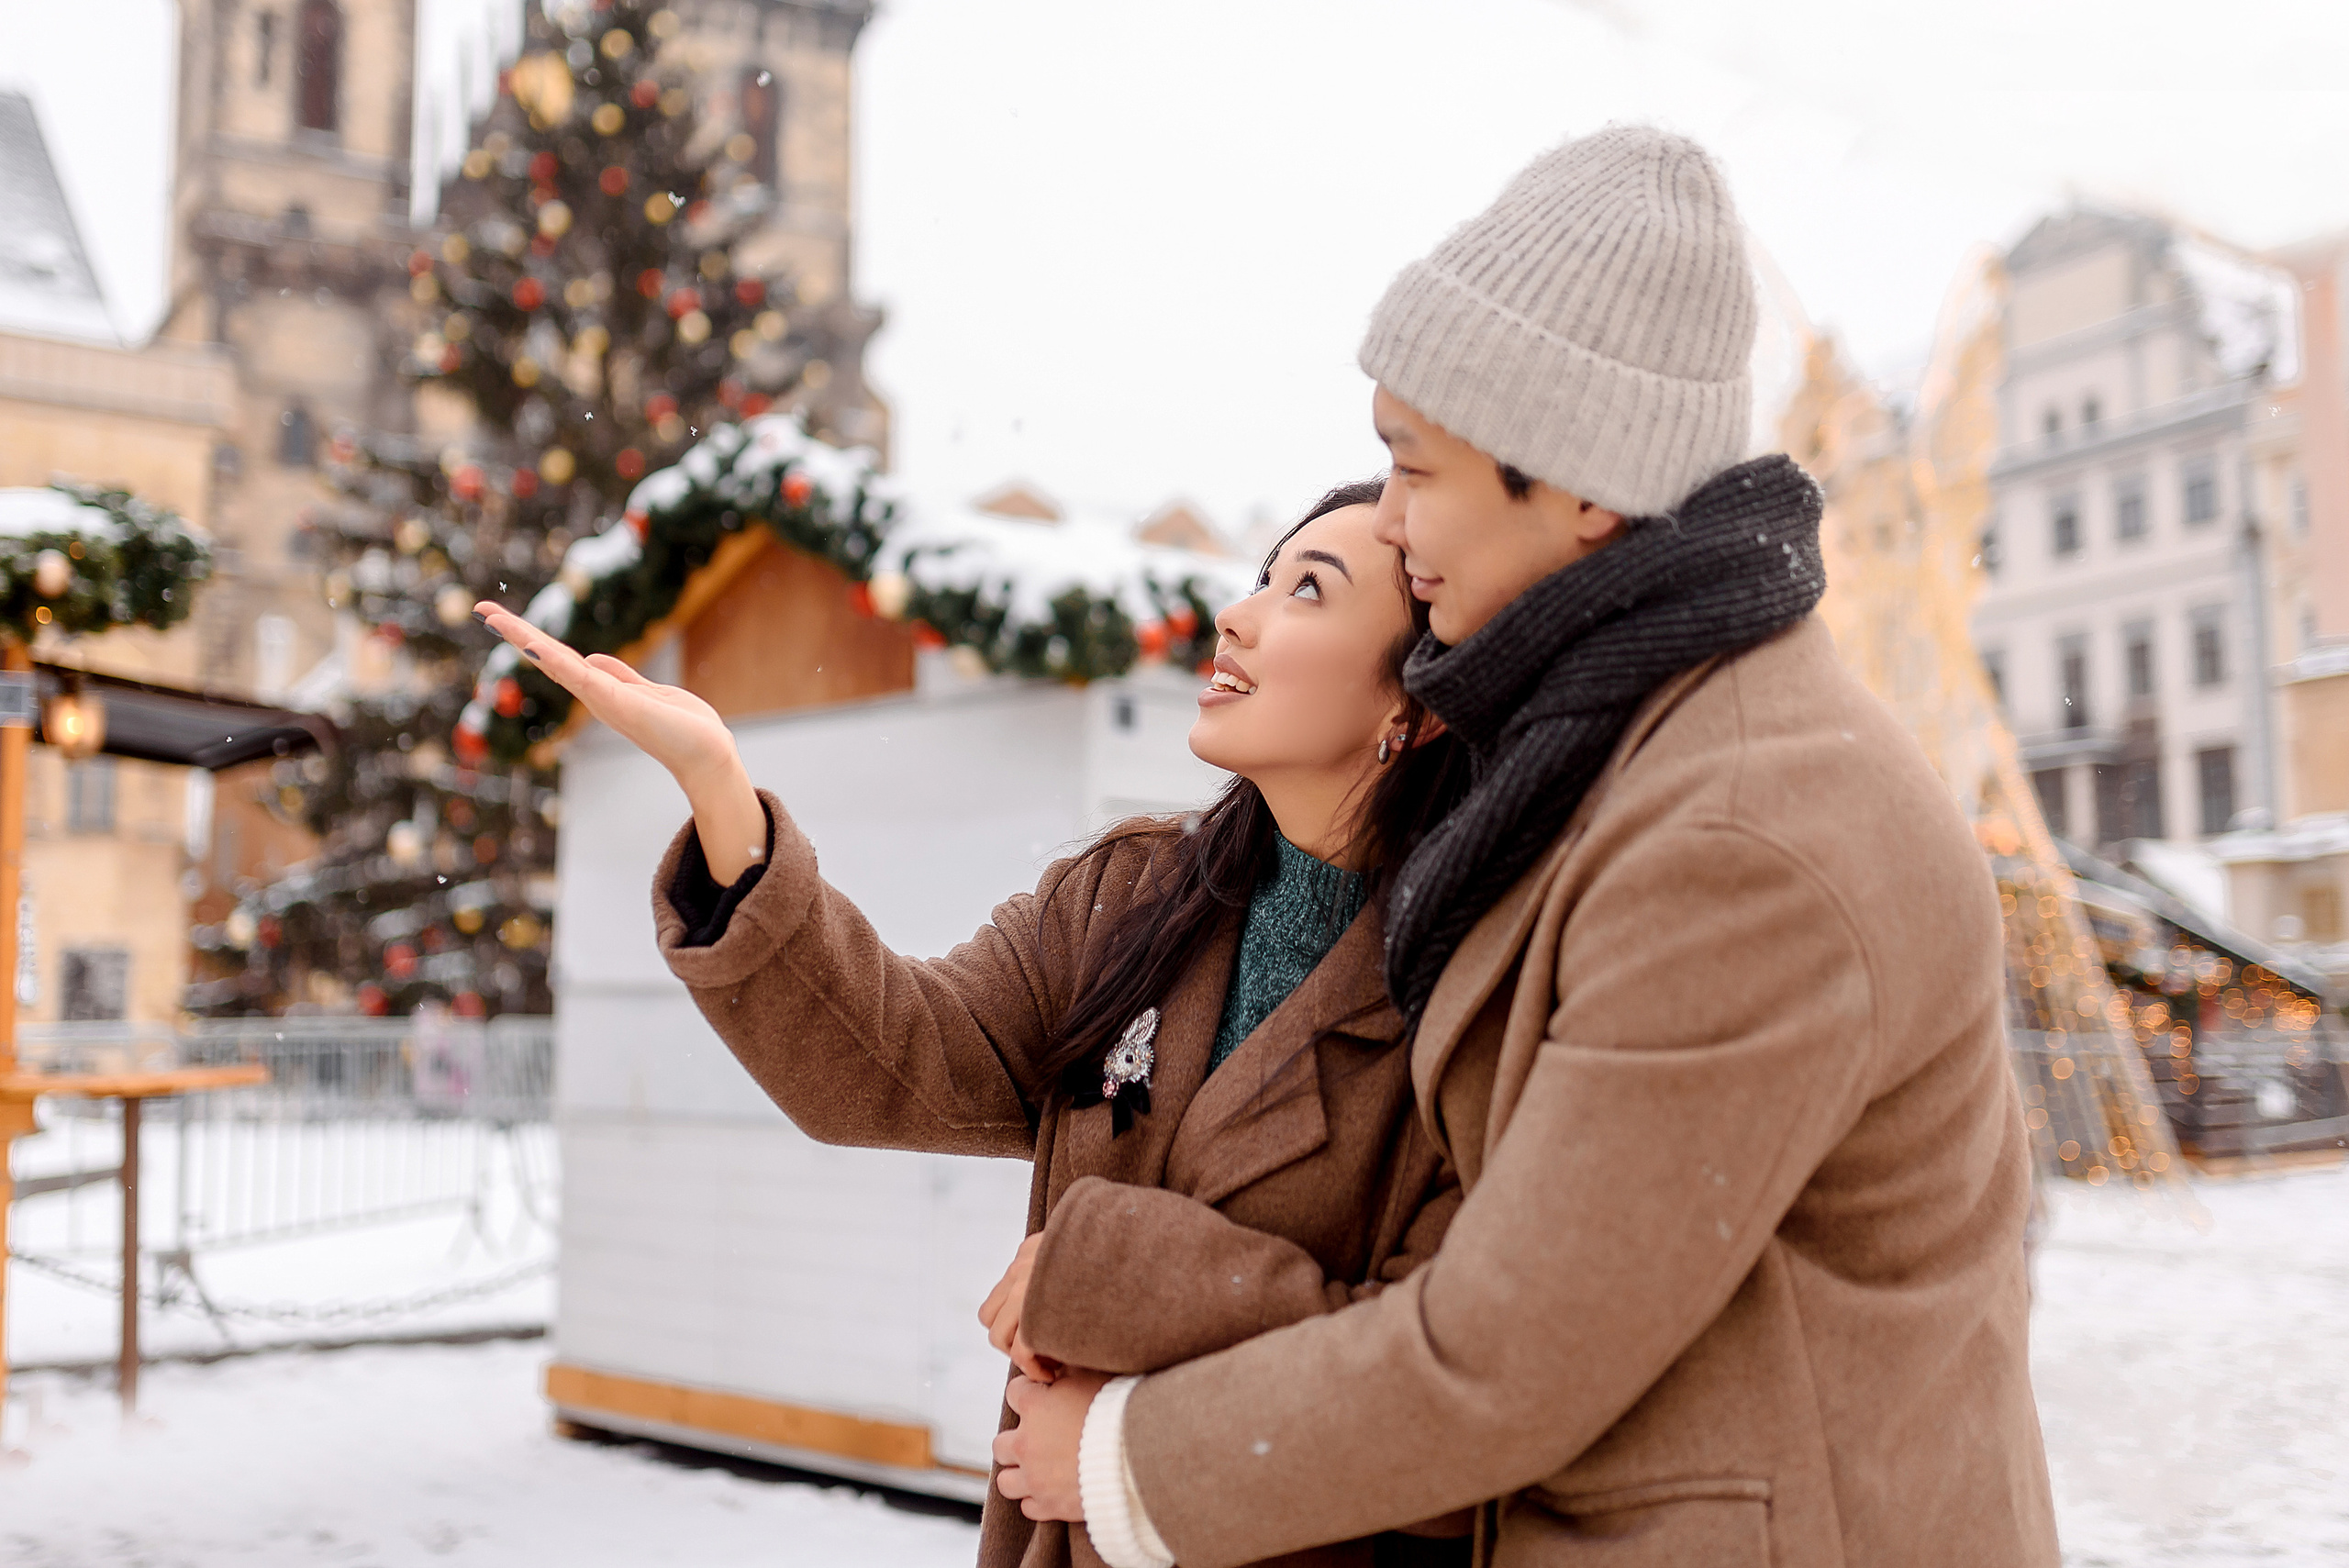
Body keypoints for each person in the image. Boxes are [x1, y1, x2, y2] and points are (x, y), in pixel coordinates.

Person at [987, 127, 2061, 1568]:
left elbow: (1509, 1349)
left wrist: (1122, 1461)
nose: (1394, 523)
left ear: (1583, 488)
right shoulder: (1625, 752)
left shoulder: (1740, 828)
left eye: (1417, 471)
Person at [475, 482, 1480, 1568]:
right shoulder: (1124, 898)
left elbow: (1449, 1382)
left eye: (1308, 592)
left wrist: (1104, 1303)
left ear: (1413, 707)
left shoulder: (1469, 989)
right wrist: (720, 790)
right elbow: (893, 1062)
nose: (1238, 614)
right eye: (1260, 576)